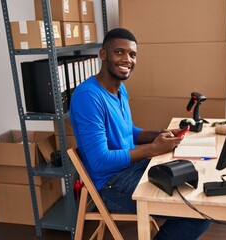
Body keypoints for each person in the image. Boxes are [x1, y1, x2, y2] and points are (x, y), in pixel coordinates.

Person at [69, 28, 211, 239]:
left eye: (132, 54)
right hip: (111, 183)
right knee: (197, 212)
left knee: (196, 183)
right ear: (103, 55)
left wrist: (158, 135)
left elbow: (128, 132)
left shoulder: (119, 89)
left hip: (132, 168)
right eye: (119, 52)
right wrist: (152, 149)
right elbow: (100, 160)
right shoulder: (88, 97)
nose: (127, 59)